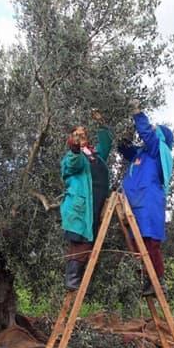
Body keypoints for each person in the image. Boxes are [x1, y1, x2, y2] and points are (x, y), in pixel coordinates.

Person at [117, 99, 174, 298]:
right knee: (137, 244)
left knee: (150, 243)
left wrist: (138, 114)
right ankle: (146, 280)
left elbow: (148, 135)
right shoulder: (142, 154)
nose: (150, 130)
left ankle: (157, 282)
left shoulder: (159, 151)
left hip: (149, 204)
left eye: (154, 129)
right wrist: (122, 133)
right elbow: (124, 149)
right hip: (135, 204)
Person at [60, 110, 113, 290]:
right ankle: (72, 279)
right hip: (80, 207)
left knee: (89, 240)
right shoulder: (72, 156)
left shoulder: (95, 154)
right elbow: (72, 165)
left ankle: (78, 279)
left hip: (96, 205)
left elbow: (107, 143)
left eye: (82, 134)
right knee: (81, 240)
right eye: (76, 135)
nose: (80, 136)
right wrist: (75, 147)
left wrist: (101, 123)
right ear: (71, 139)